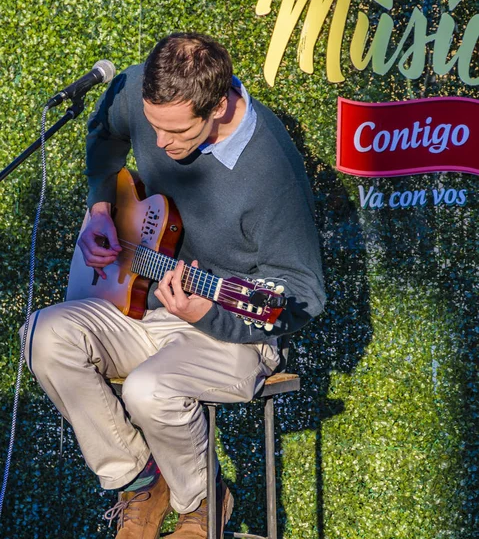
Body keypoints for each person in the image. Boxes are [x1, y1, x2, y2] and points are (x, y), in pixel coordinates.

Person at [22, 33, 326, 539]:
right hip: (149, 300)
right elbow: (105, 133)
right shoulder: (144, 87)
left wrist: (205, 313)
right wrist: (102, 205)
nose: (160, 145)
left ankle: (202, 502)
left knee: (149, 389)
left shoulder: (270, 171)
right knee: (44, 334)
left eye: (177, 131)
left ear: (220, 104)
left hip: (235, 329)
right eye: (153, 126)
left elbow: (303, 294)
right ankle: (141, 482)